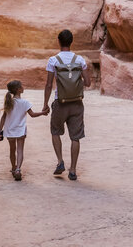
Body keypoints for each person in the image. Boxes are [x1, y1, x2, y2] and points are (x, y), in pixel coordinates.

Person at [42, 29, 91, 181]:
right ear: (71, 42)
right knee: (75, 137)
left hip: (60, 102)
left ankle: (60, 162)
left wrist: (45, 104)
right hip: (77, 103)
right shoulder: (80, 60)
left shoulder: (53, 60)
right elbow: (88, 83)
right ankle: (73, 170)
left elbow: (49, 84)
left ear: (59, 41)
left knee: (55, 131)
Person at [0, 80, 49, 181]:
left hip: (10, 131)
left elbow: (3, 118)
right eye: (22, 86)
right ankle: (18, 169)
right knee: (20, 150)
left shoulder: (9, 102)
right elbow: (33, 115)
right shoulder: (25, 102)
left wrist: (0, 131)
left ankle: (13, 168)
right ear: (18, 89)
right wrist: (43, 113)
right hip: (20, 130)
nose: (23, 87)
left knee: (12, 150)